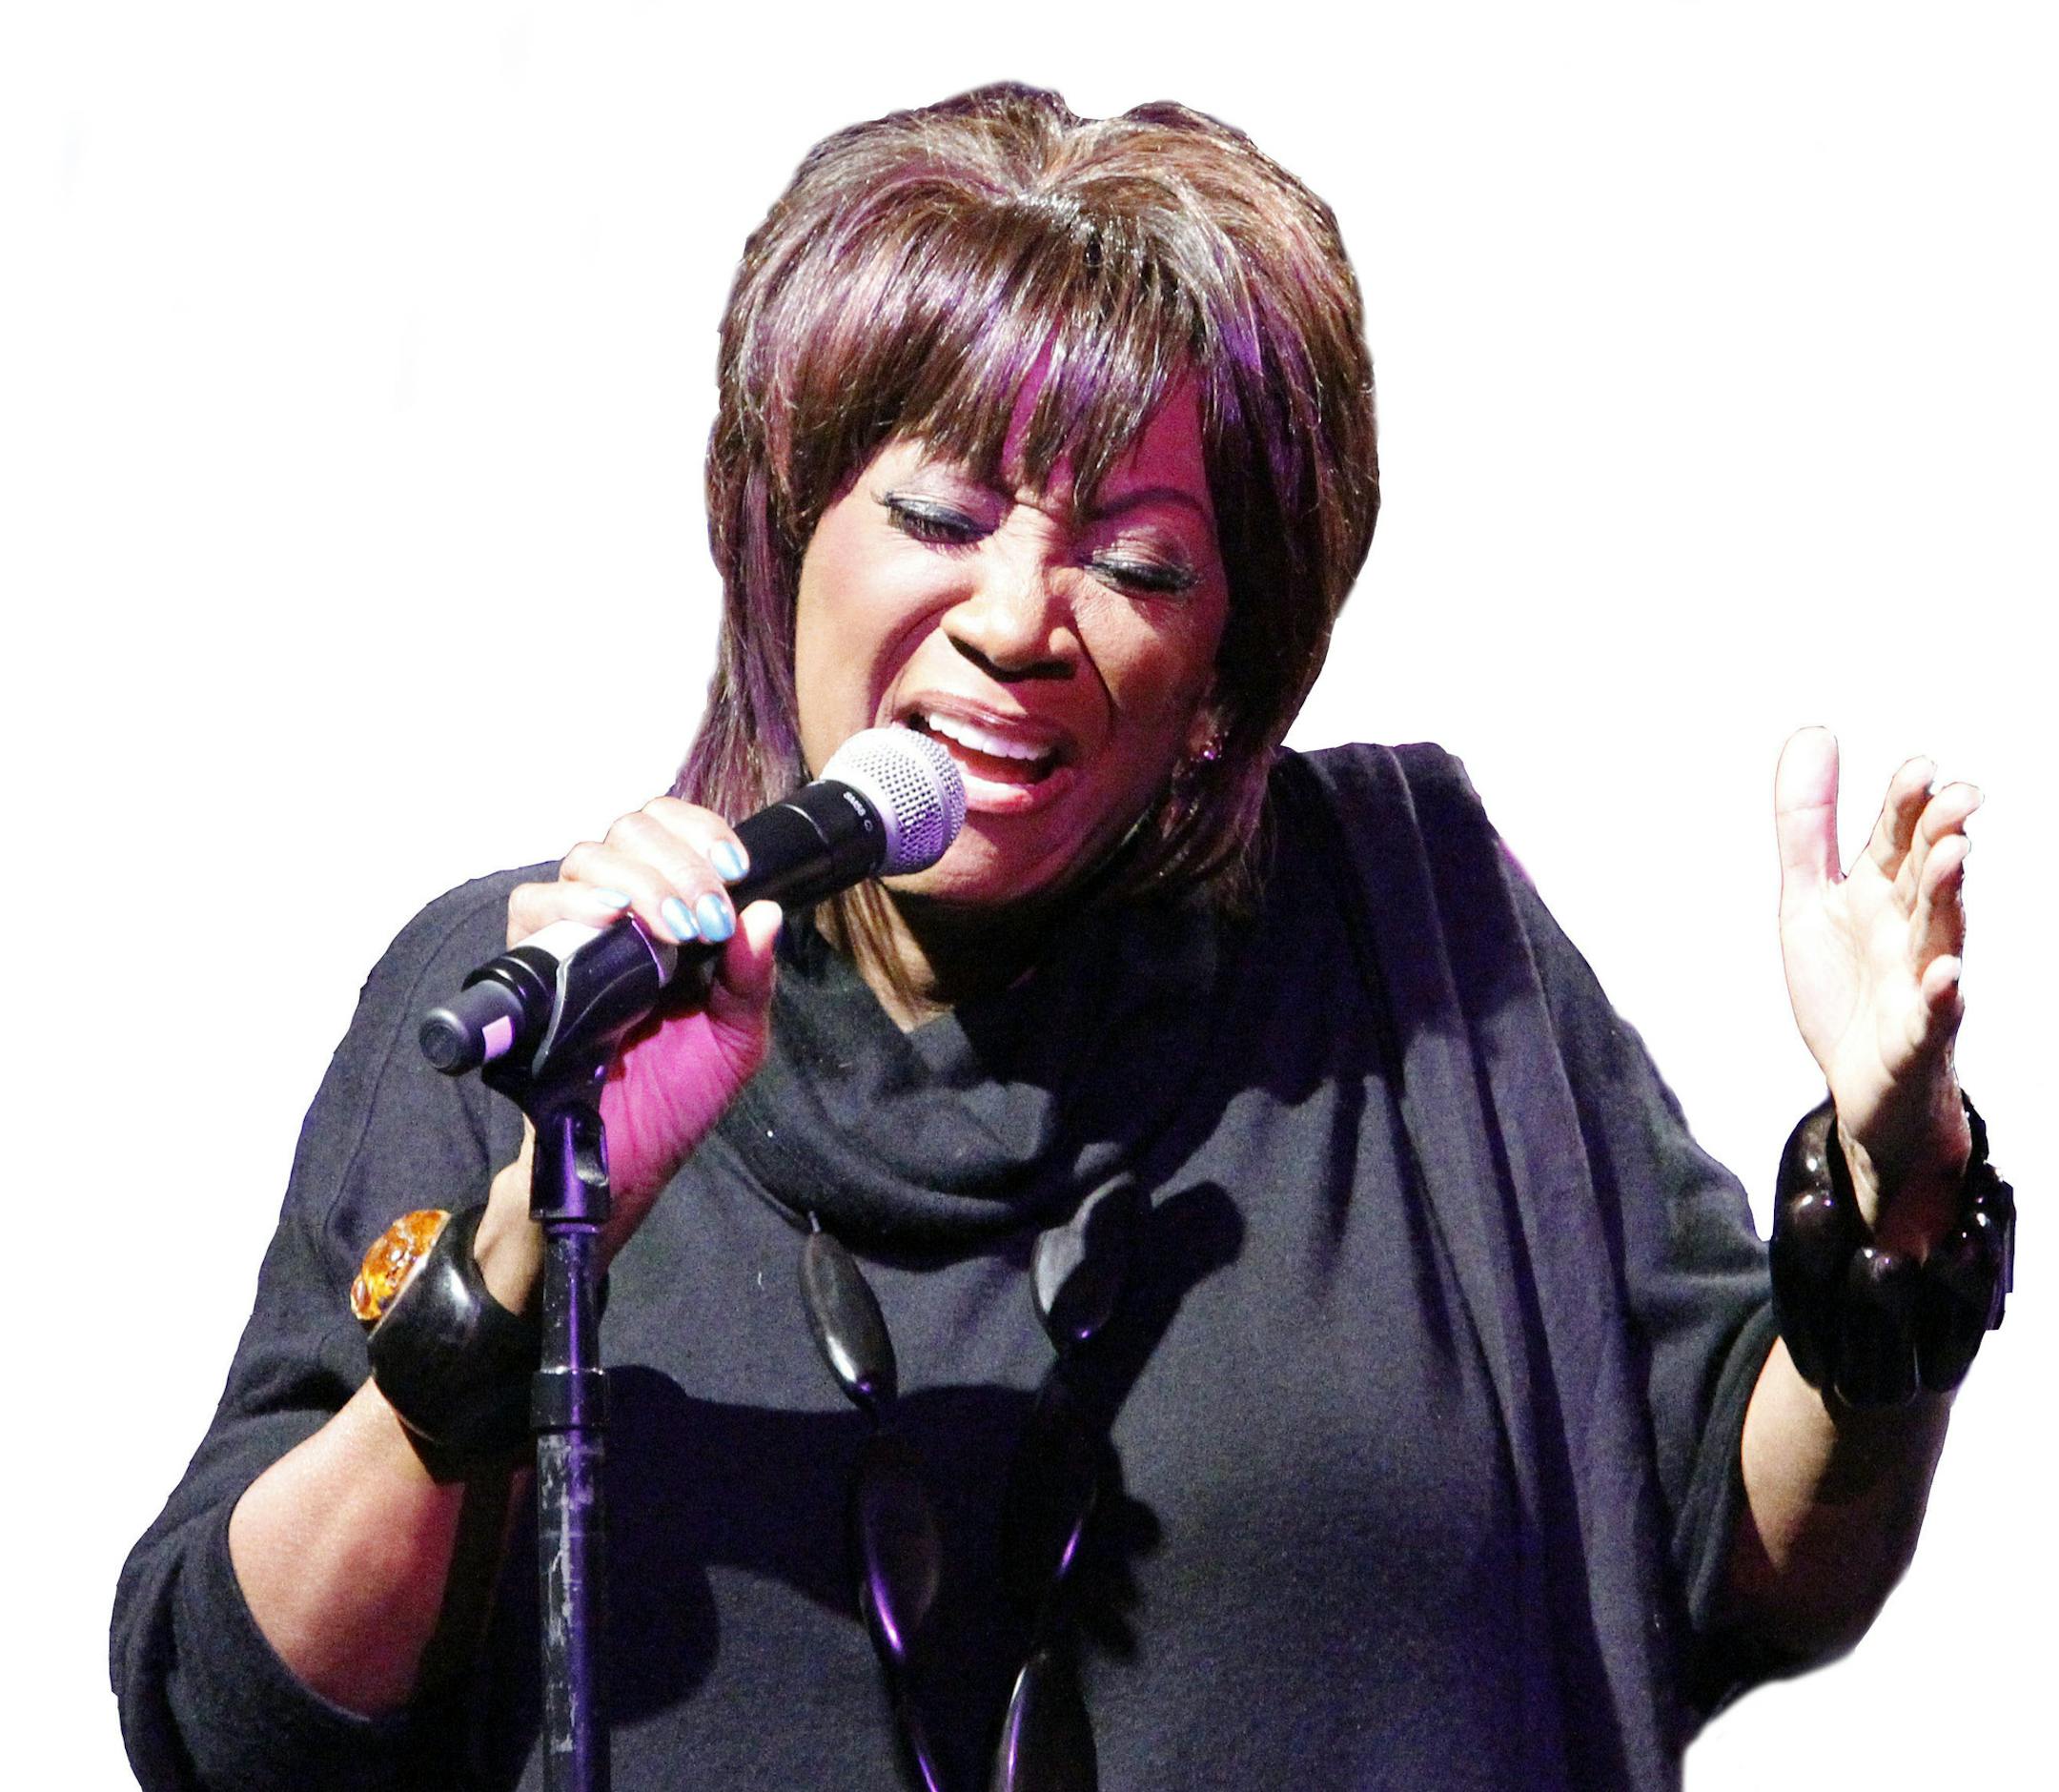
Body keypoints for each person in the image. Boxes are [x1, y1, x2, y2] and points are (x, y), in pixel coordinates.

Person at [111, 84, 2003, 1791]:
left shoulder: (1416, 950)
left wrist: (1889, 1208)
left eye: (1135, 555)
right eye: (937, 508)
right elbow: (233, 1723)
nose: (1020, 610)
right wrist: (529, 1248)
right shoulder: (529, 996)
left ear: (1222, 671)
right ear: (785, 549)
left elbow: (1741, 1554)